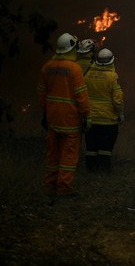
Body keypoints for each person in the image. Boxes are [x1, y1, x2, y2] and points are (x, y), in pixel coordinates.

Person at [37, 32, 90, 201]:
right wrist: (86, 116)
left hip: (52, 118)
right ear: (72, 48)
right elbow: (81, 96)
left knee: (53, 154)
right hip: (70, 120)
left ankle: (49, 186)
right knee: (69, 155)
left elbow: (41, 94)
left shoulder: (47, 67)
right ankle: (64, 188)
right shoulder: (75, 69)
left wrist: (45, 113)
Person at [83, 48, 124, 172]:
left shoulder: (88, 74)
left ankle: (90, 169)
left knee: (91, 146)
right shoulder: (112, 76)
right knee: (106, 147)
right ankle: (104, 171)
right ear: (111, 61)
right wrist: (120, 113)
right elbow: (118, 98)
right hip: (108, 120)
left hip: (91, 118)